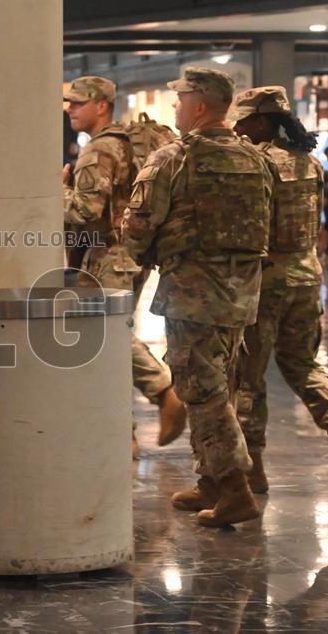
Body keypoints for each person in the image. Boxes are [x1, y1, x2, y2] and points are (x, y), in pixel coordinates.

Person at [121, 67, 274, 528]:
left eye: (181, 98)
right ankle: (209, 480)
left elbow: (138, 227)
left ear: (200, 105)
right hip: (242, 292)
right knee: (221, 382)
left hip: (193, 291)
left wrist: (143, 255)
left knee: (201, 390)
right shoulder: (255, 158)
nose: (175, 106)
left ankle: (235, 488)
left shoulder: (174, 157)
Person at [230, 86, 328, 496]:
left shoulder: (256, 162)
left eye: (243, 120)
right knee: (303, 365)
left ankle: (253, 469)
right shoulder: (310, 163)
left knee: (248, 376)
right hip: (306, 277)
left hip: (264, 280)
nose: (237, 129)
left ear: (262, 121)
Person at [62, 75, 186, 457]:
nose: (69, 109)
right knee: (107, 345)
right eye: (69, 102)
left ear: (102, 105)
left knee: (108, 335)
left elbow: (86, 211)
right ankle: (124, 434)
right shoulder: (130, 144)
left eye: (78, 103)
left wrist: (56, 189)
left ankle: (162, 391)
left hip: (107, 256)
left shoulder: (100, 148)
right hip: (132, 253)